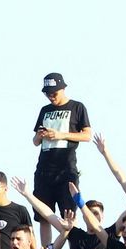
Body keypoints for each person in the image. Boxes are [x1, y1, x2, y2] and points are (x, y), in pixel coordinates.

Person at [31, 73, 92, 227]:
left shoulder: (77, 107)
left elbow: (87, 135)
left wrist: (61, 135)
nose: (51, 97)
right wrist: (40, 136)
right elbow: (35, 142)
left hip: (66, 169)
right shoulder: (44, 110)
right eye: (47, 94)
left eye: (54, 93)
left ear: (63, 88)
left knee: (69, 214)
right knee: (43, 215)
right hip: (44, 170)